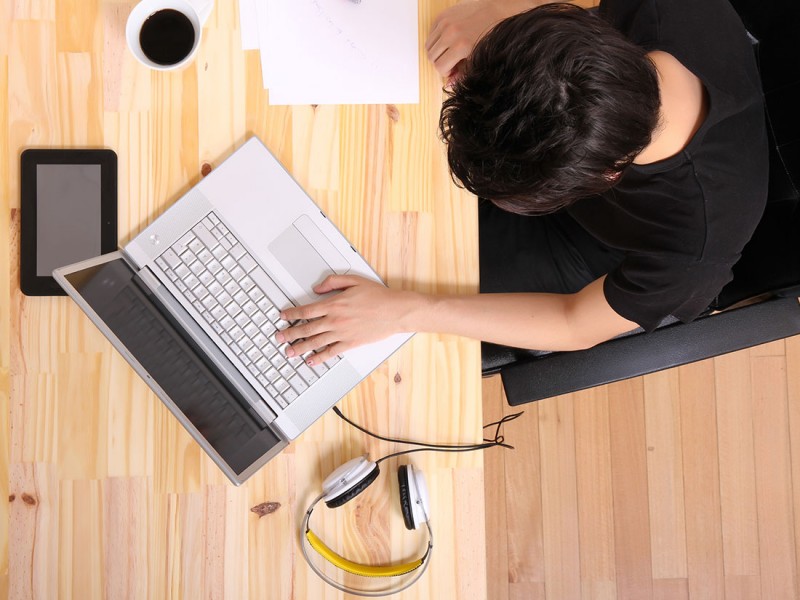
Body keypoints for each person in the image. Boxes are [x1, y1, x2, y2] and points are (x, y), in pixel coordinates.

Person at [277, 0, 768, 368]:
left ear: (609, 176)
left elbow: (575, 323)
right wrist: (502, 13)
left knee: (382, 263)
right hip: (554, 134)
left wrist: (406, 311)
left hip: (592, 247)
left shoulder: (695, 247)